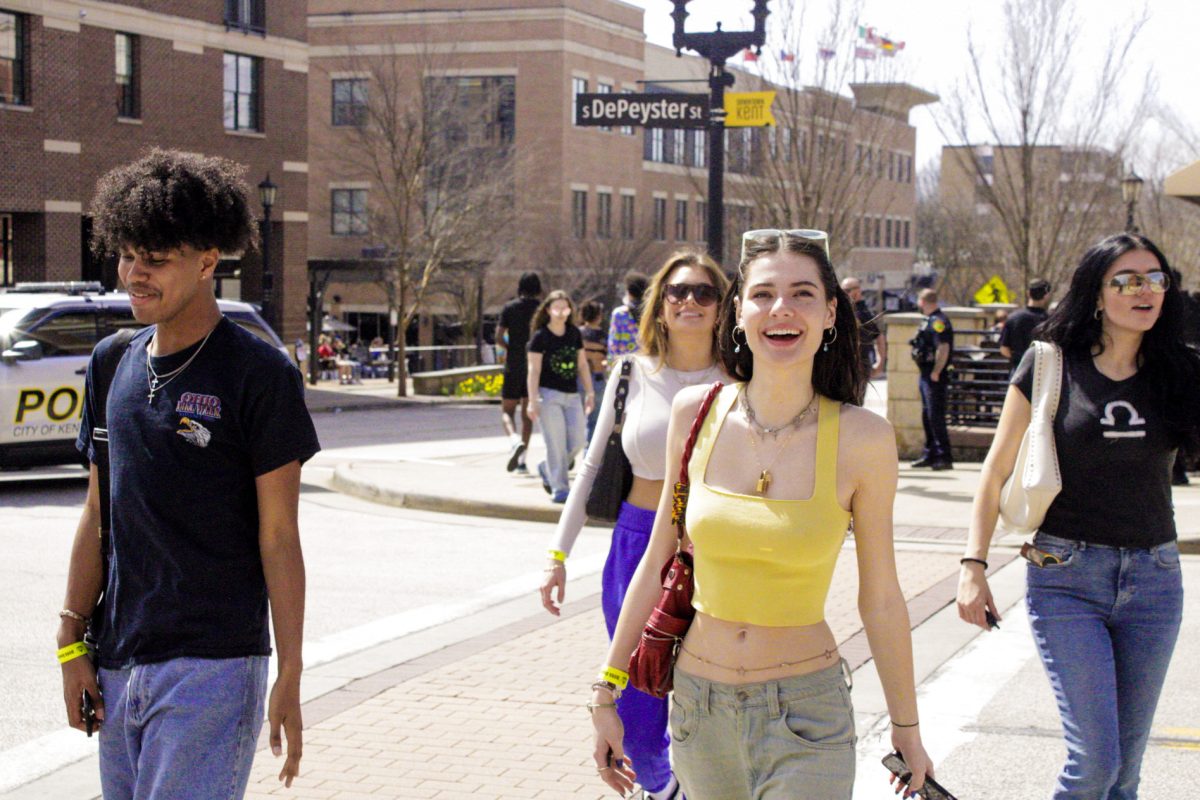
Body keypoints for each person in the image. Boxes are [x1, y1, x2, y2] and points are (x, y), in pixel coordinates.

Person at [589, 230, 935, 800]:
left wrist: (907, 728)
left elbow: (881, 596)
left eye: (802, 294)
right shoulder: (693, 413)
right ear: (740, 312)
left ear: (829, 314)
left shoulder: (864, 438)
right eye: (763, 294)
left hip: (807, 715)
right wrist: (607, 692)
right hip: (699, 711)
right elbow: (657, 560)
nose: (781, 309)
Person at [56, 150, 319, 798]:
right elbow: (97, 514)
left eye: (157, 258)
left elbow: (279, 535)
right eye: (127, 254)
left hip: (214, 665)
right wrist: (71, 643)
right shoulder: (109, 361)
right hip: (119, 660)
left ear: (208, 260)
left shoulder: (259, 374)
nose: (134, 274)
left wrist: (289, 669)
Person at [958, 233, 1199, 800]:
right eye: (1127, 280)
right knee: (1095, 763)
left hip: (1155, 580)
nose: (1145, 290)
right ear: (1096, 293)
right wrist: (973, 564)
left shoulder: (1181, 371)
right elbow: (994, 471)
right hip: (1066, 575)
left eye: (1155, 278)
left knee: (1125, 773)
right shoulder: (1049, 364)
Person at [541, 251, 729, 800]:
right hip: (636, 541)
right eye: (677, 292)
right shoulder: (631, 372)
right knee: (639, 707)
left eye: (703, 292)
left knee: (708, 692)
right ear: (660, 305)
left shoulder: (742, 377)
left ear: (722, 307)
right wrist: (558, 555)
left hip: (712, 546)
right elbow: (592, 465)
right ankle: (662, 788)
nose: (689, 301)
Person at [527, 290, 594, 503]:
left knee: (578, 441)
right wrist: (532, 400)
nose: (561, 312)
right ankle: (560, 488)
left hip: (572, 395)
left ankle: (547, 468)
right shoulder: (540, 337)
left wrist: (590, 392)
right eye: (557, 307)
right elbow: (534, 370)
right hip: (549, 396)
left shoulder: (573, 333)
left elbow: (582, 364)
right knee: (555, 443)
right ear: (548, 310)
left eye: (565, 308)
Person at [496, 272, 542, 473]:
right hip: (533, 365)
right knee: (527, 414)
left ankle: (514, 441)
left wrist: (510, 347)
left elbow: (498, 337)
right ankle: (522, 462)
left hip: (513, 363)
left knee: (507, 411)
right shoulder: (541, 310)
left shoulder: (510, 308)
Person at [910, 288, 954, 470]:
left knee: (935, 416)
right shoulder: (928, 320)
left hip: (934, 376)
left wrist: (937, 370)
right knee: (927, 415)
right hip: (926, 374)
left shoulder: (938, 321)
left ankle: (944, 456)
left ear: (922, 302)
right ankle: (930, 454)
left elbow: (943, 347)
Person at [999, 278, 1052, 371]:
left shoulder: (1013, 318)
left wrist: (1021, 360)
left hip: (1018, 370)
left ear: (1028, 293)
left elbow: (1004, 349)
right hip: (1042, 372)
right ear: (1046, 296)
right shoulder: (1051, 321)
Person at [841, 276, 886, 378]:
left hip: (858, 366)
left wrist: (880, 363)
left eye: (847, 290)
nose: (843, 294)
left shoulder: (864, 313)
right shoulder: (842, 309)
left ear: (858, 291)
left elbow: (879, 337)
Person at [578, 299, 609, 443]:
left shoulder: (577, 333)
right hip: (597, 378)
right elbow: (607, 358)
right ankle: (588, 453)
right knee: (594, 421)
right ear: (599, 316)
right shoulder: (603, 336)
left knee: (576, 418)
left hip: (578, 379)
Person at [608, 271, 649, 359]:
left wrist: (611, 366)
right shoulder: (650, 313)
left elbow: (614, 343)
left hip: (624, 364)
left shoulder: (620, 314)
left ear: (629, 292)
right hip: (646, 363)